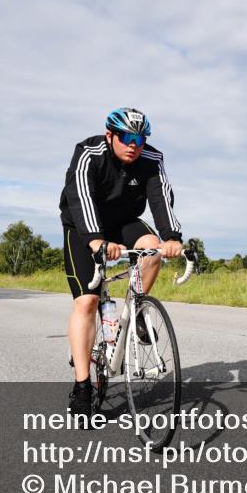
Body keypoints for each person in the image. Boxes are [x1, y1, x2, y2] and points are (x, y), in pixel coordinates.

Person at [59, 107, 183, 419]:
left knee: (153, 249)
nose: (134, 145)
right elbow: (81, 197)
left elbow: (160, 199)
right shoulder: (90, 153)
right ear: (110, 134)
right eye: (127, 137)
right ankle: (83, 387)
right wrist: (97, 241)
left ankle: (137, 309)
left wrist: (172, 237)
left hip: (125, 221)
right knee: (87, 303)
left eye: (140, 139)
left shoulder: (151, 159)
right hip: (83, 227)